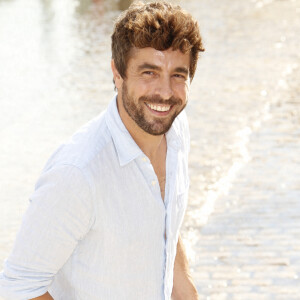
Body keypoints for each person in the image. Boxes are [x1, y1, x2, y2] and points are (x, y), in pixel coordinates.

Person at [0, 1, 204, 299]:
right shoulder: (78, 174)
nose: (164, 92)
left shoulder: (175, 129)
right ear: (117, 73)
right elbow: (18, 288)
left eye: (178, 75)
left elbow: (166, 227)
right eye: (149, 72)